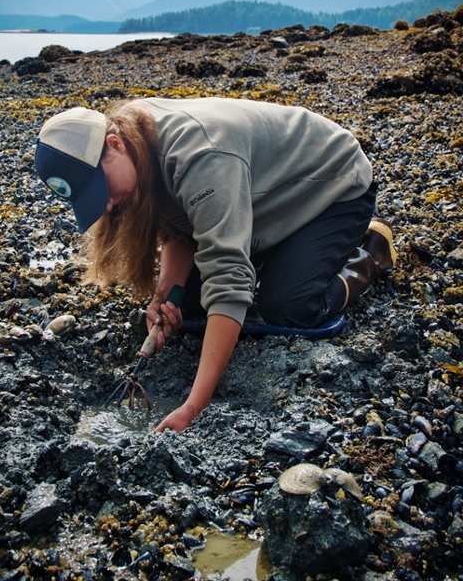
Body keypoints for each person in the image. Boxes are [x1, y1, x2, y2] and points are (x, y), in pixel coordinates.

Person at [34, 97, 396, 433]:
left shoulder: (200, 156)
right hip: (259, 201)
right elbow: (181, 231)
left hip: (329, 188)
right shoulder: (137, 146)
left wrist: (195, 405)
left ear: (114, 144)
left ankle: (370, 250)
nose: (108, 206)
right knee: (190, 304)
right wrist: (163, 297)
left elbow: (228, 277)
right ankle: (286, 253)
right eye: (93, 200)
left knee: (289, 306)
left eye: (103, 188)